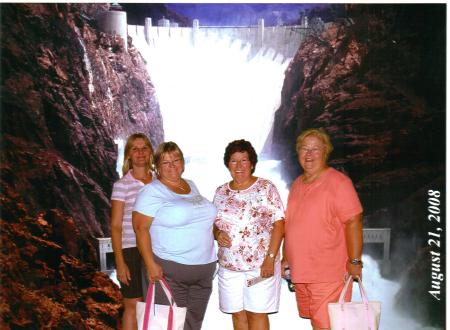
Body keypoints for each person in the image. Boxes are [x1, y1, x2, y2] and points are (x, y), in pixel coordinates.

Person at [282, 128, 363, 330]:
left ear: (326, 151)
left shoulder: (338, 182)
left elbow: (354, 221)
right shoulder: (297, 184)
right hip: (301, 272)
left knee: (327, 325)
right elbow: (290, 224)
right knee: (317, 323)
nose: (308, 154)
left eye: (315, 149)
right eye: (304, 149)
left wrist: (354, 261)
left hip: (328, 274)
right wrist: (285, 257)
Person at [132, 141, 217, 330]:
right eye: (166, 162)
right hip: (170, 271)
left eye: (176, 160)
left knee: (192, 325)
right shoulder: (151, 191)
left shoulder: (191, 185)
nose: (172, 166)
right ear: (157, 167)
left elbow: (200, 220)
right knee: (165, 325)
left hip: (203, 272)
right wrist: (150, 264)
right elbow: (140, 229)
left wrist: (220, 233)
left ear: (183, 163)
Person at [213, 139, 285, 330]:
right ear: (227, 164)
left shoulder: (266, 188)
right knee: (238, 315)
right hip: (229, 267)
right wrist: (217, 233)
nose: (239, 166)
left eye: (244, 160)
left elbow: (279, 223)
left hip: (260, 266)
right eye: (234, 161)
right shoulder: (220, 192)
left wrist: (270, 259)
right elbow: (214, 224)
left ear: (252, 163)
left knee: (257, 314)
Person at [110, 133, 154, 330]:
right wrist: (119, 262)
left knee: (156, 305)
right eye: (135, 149)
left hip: (158, 249)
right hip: (131, 251)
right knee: (132, 305)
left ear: (150, 152)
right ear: (128, 154)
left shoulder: (160, 182)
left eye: (144, 148)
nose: (140, 153)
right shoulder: (121, 186)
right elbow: (116, 226)